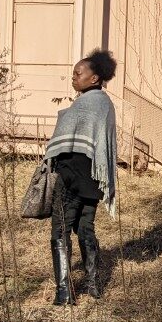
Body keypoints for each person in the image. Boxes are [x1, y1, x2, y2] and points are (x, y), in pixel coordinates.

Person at [45, 50, 118, 304]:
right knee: (85, 228)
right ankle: (93, 283)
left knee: (60, 230)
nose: (73, 78)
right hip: (94, 178)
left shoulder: (86, 103)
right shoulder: (105, 104)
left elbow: (66, 132)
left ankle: (64, 292)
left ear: (95, 78)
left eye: (78, 73)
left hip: (73, 176)